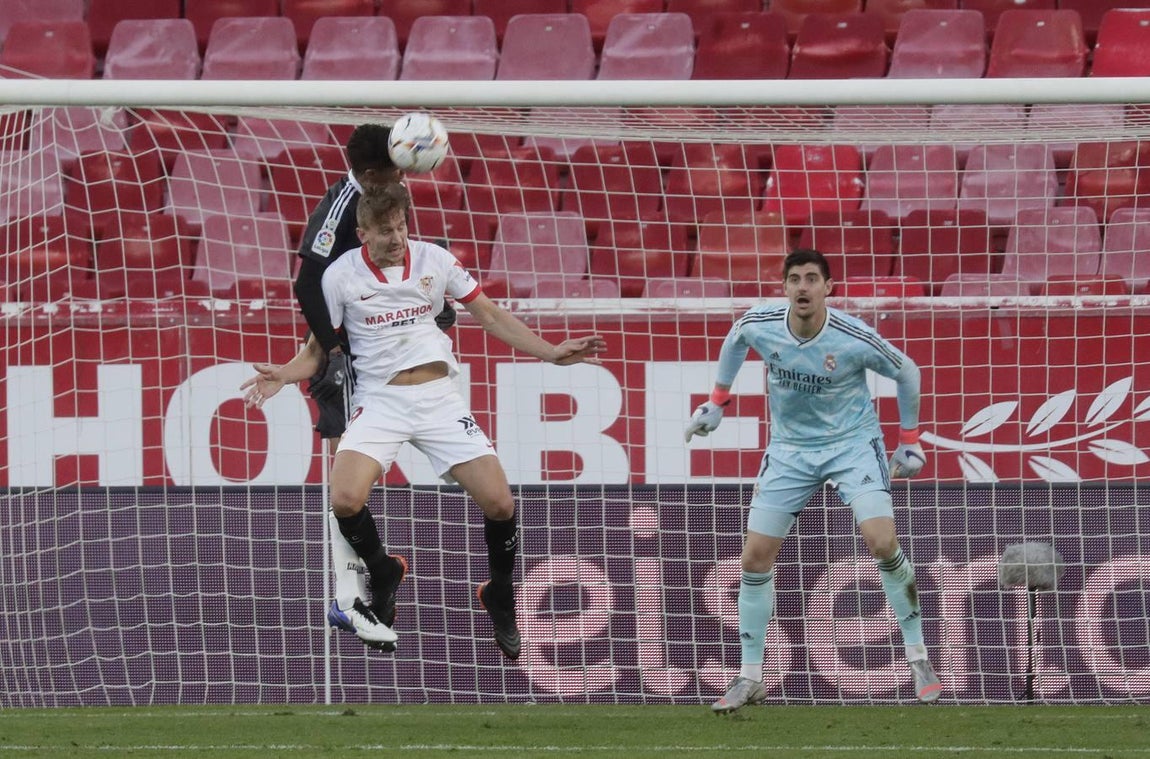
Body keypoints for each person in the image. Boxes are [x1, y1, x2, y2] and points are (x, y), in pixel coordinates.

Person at [244, 182, 607, 660]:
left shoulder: (436, 260)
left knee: (500, 503)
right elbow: (316, 350)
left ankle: (500, 593)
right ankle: (383, 568)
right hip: (380, 401)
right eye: (384, 231)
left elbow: (491, 316)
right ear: (362, 233)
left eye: (401, 227)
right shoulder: (340, 277)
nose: (396, 238)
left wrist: (552, 353)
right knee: (345, 498)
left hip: (440, 400)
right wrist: (283, 376)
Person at [685, 248, 940, 712]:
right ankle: (750, 677)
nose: (802, 286)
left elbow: (908, 371)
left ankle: (918, 656)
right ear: (784, 287)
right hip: (789, 450)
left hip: (852, 445)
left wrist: (909, 439)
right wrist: (718, 402)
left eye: (812, 279)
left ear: (828, 288)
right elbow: (736, 338)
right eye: (795, 279)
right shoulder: (760, 321)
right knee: (755, 556)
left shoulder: (852, 336)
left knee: (881, 541)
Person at [290, 122, 457, 651]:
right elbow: (306, 282)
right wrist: (332, 350)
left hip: (383, 341)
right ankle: (348, 593)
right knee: (344, 467)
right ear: (368, 173)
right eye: (391, 166)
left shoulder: (387, 197)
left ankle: (367, 581)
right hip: (346, 347)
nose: (401, 174)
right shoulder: (341, 205)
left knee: (358, 475)